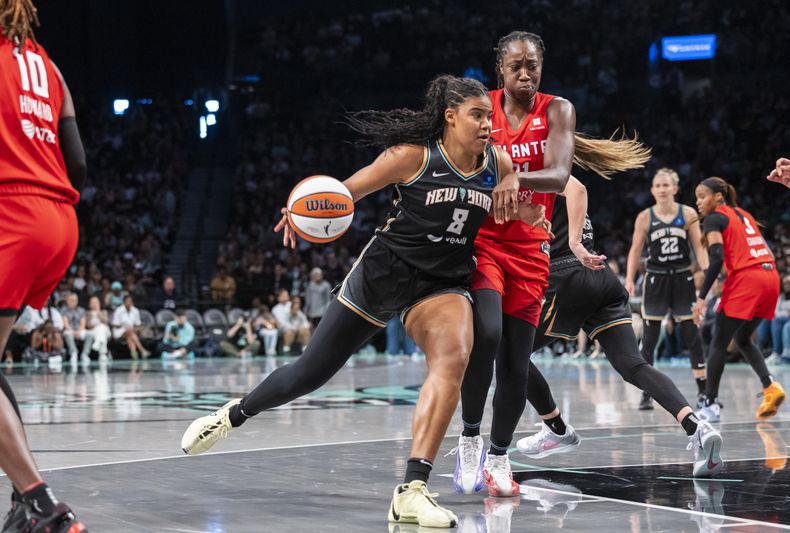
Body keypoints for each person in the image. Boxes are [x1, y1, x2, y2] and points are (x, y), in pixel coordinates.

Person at [181, 75, 545, 529]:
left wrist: (516, 193)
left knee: (454, 357)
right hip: (382, 273)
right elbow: (343, 193)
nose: (487, 123)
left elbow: (510, 175)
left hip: (441, 282)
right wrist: (298, 212)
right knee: (308, 373)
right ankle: (234, 414)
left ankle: (412, 490)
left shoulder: (497, 161)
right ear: (450, 117)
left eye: (488, 115)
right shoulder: (412, 156)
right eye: (477, 115)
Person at [454, 30, 651, 497]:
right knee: (487, 335)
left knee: (517, 362)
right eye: (516, 65)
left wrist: (513, 176)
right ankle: (468, 439)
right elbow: (459, 165)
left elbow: (563, 175)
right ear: (499, 68)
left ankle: (499, 459)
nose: (525, 73)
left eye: (533, 66)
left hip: (532, 249)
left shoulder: (557, 109)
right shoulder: (480, 107)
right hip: (484, 242)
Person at [511, 177, 723, 479]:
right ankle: (696, 426)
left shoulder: (544, 173)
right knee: (633, 365)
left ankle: (556, 428)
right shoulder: (551, 173)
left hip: (568, 273)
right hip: (600, 275)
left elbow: (576, 188)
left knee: (510, 354)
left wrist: (570, 243)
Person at [0, 0, 88, 530]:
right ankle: (22, 499)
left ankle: (41, 505)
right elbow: (77, 161)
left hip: (10, 212)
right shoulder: (49, 67)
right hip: (58, 219)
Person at [692, 177, 785, 423]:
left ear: (718, 197)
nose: (699, 202)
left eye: (702, 196)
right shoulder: (744, 214)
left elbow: (716, 260)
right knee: (742, 338)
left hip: (748, 279)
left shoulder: (714, 219)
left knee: (718, 343)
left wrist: (701, 299)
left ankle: (710, 404)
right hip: (770, 276)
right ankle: (770, 386)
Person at [624, 168, 709, 410]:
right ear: (652, 190)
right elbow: (635, 250)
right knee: (650, 340)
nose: (661, 189)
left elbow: (699, 249)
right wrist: (629, 278)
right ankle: (647, 393)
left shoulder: (688, 213)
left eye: (665, 185)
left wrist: (708, 273)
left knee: (693, 337)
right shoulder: (645, 217)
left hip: (683, 278)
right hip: (656, 279)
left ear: (675, 188)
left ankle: (703, 393)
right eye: (657, 185)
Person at [112, 295, 150, 359]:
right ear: (124, 302)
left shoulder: (135, 310)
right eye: (128, 301)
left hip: (131, 331)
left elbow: (138, 324)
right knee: (130, 332)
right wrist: (125, 327)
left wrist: (135, 329)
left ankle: (133, 353)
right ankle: (142, 350)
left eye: (130, 301)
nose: (129, 303)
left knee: (130, 336)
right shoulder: (119, 310)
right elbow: (115, 324)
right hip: (119, 331)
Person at [61, 292, 93, 365]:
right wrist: (72, 332)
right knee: (67, 334)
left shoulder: (81, 310)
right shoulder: (63, 310)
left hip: (79, 330)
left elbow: (83, 323)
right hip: (69, 330)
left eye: (75, 300)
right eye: (71, 300)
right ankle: (74, 353)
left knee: (90, 334)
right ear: (67, 301)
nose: (73, 302)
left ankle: (85, 354)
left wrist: (79, 331)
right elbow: (65, 323)